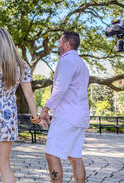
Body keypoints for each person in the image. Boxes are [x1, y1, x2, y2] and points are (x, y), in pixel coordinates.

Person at [0, 27, 47, 183]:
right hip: (8, 115)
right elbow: (29, 94)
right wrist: (35, 116)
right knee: (5, 164)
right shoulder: (22, 64)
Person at [40, 31, 90, 183]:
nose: (57, 45)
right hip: (80, 117)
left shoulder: (66, 61)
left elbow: (60, 89)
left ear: (67, 44)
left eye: (60, 42)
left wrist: (46, 108)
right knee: (75, 156)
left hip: (66, 116)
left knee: (51, 154)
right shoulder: (81, 63)